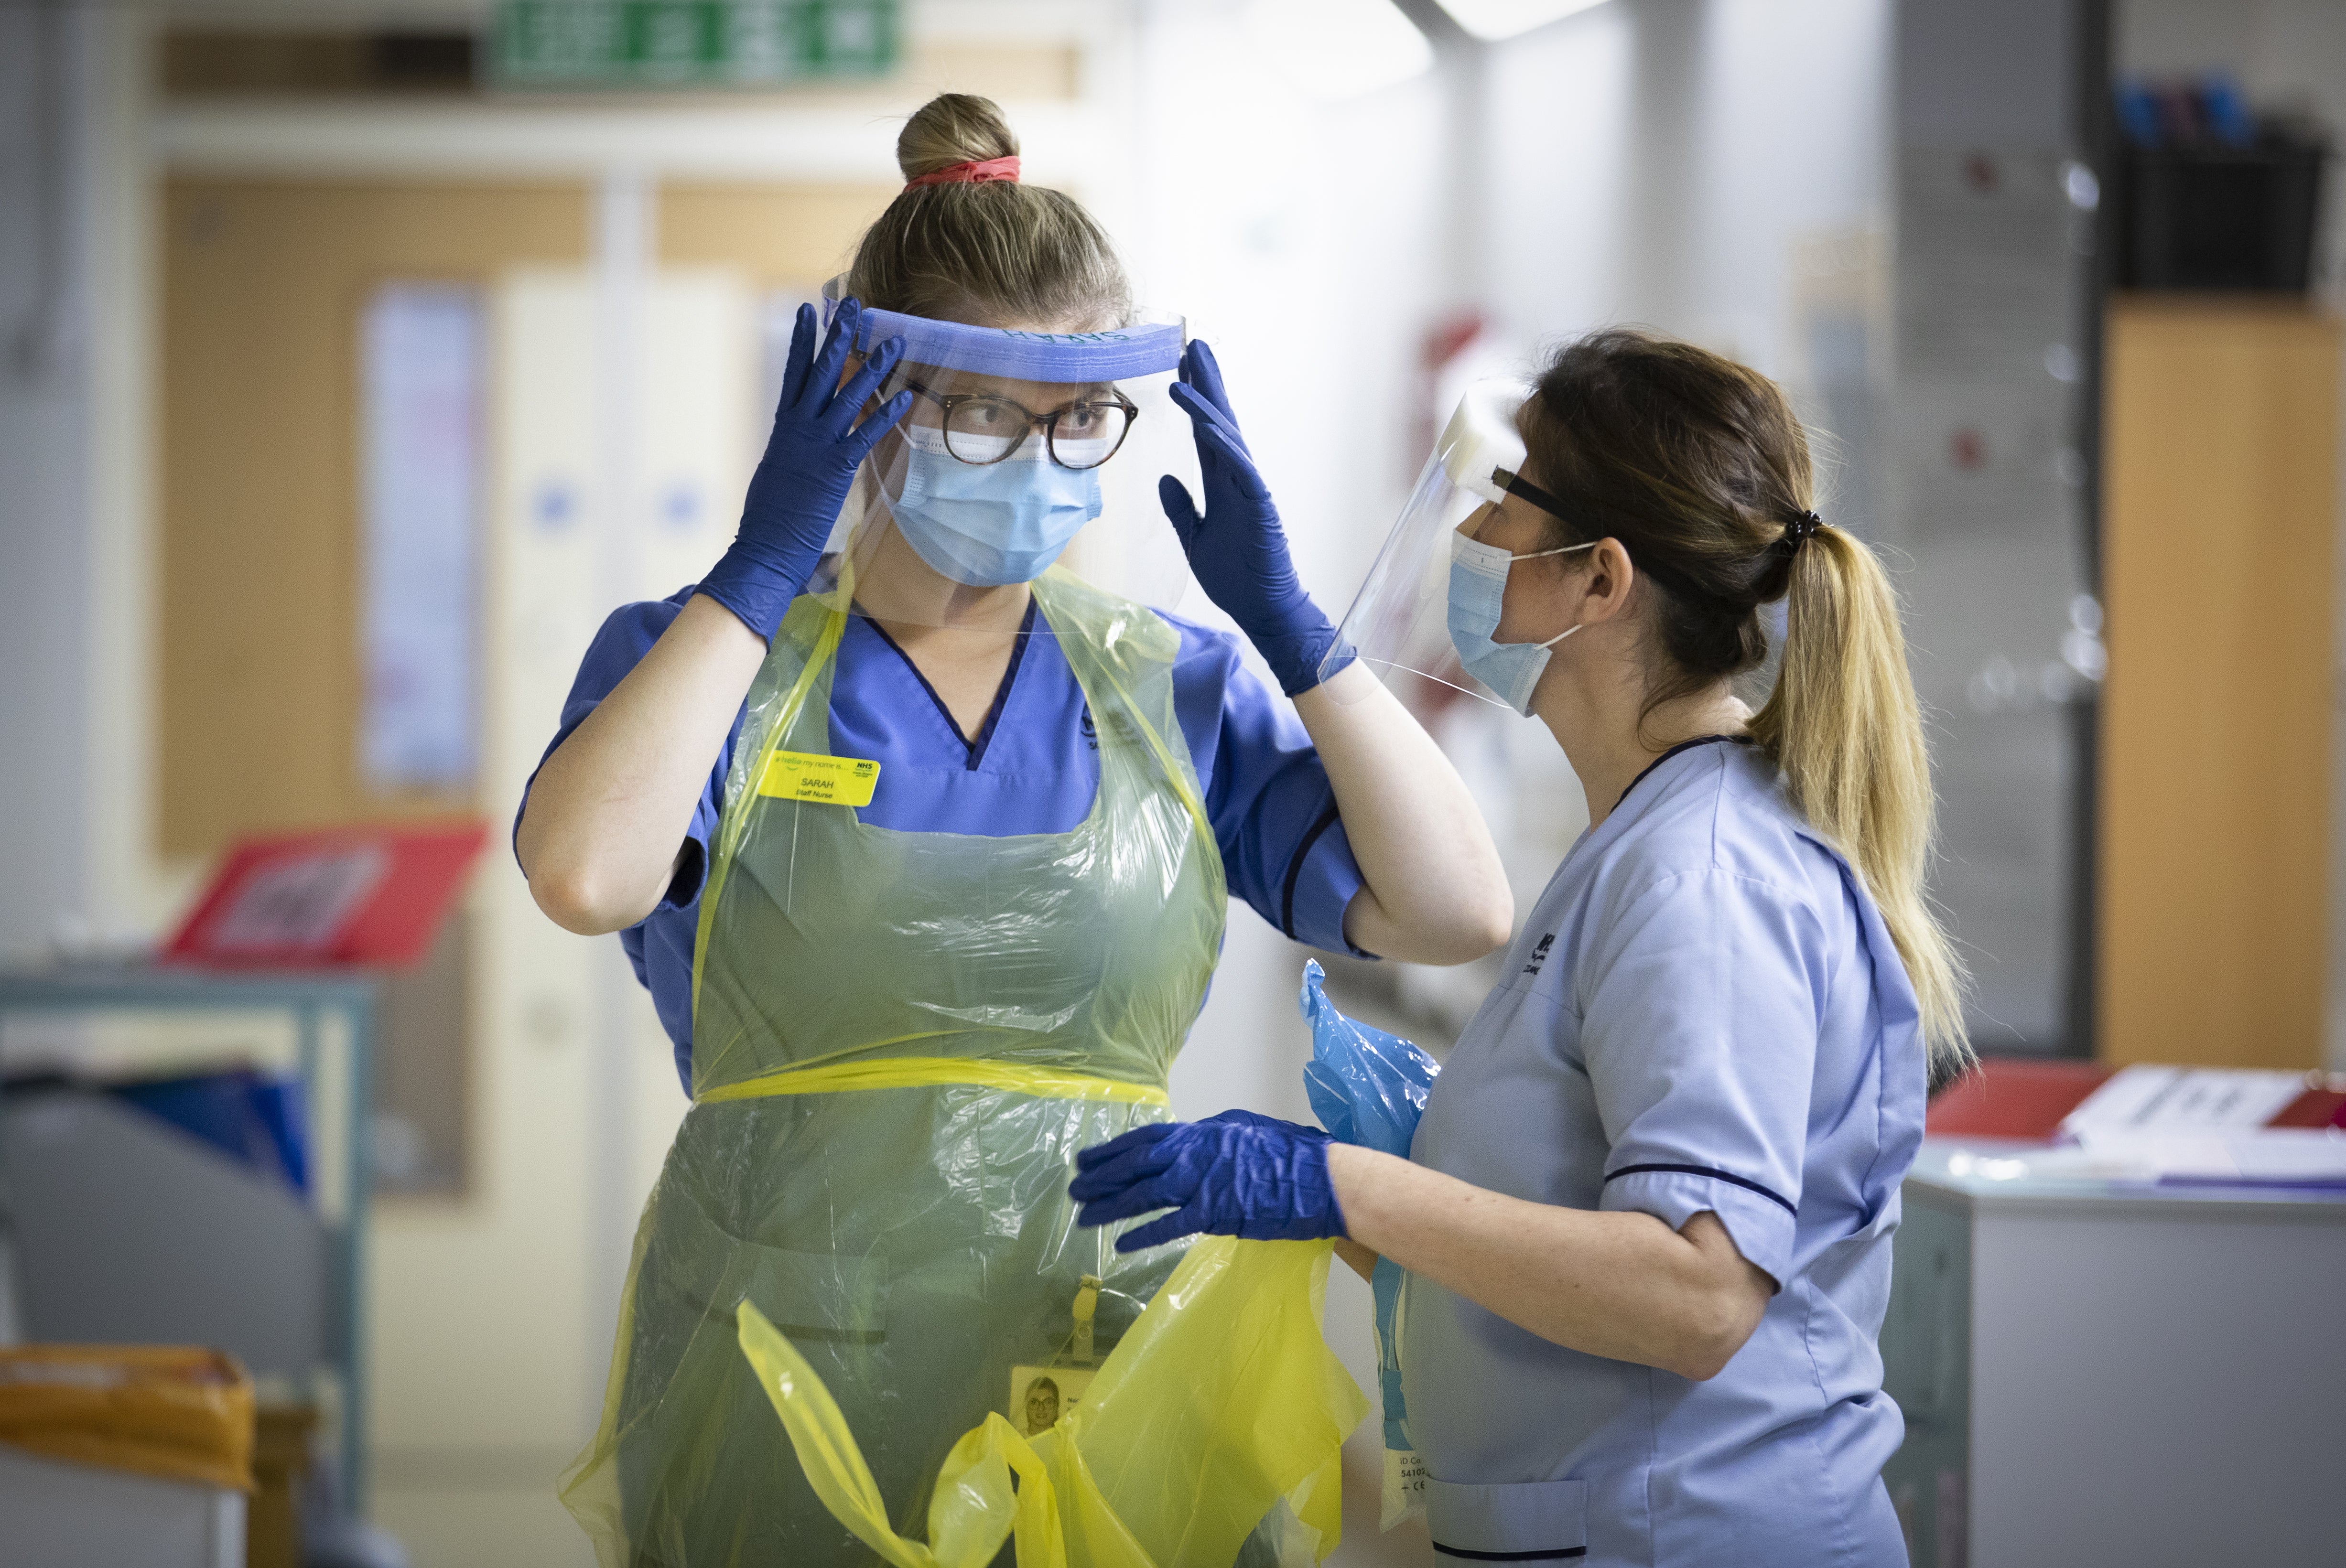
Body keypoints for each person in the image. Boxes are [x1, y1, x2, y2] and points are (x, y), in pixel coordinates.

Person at [516, 93, 1511, 1564]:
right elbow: (585, 874)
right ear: (863, 398)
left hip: (1109, 1372)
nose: (1038, 455)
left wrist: (1298, 634)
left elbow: (1456, 911)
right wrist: (767, 559)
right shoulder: (708, 665)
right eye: (983, 410)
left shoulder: (1166, 682)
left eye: (1077, 417)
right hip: (789, 1378)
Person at [1071, 329, 1969, 1567]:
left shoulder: (1701, 875)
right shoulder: (1643, 842)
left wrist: (1343, 1185)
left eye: (1505, 496)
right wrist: (1350, 1191)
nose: (1474, 531)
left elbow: (1698, 1294)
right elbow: (1568, 1237)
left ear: (1599, 580)